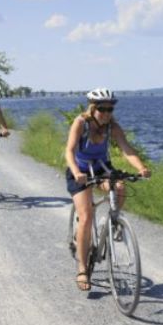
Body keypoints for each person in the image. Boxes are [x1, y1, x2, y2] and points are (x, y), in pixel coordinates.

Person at [65, 87, 150, 291]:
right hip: (81, 171)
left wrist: (141, 168)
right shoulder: (81, 123)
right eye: (102, 109)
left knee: (119, 186)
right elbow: (69, 150)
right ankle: (82, 269)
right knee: (86, 217)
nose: (106, 113)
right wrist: (76, 172)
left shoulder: (113, 126)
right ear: (93, 108)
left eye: (110, 109)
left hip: (102, 168)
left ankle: (113, 220)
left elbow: (126, 149)